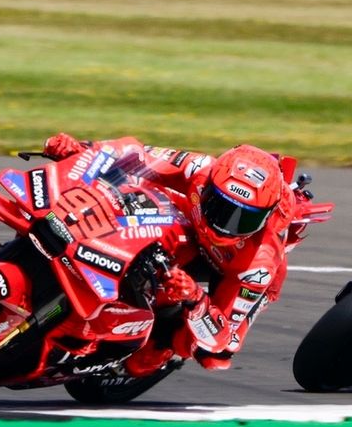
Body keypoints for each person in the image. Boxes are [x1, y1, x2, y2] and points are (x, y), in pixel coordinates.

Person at [42, 132, 323, 377]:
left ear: (264, 218)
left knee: (214, 355)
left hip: (231, 269)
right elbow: (136, 156)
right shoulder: (201, 169)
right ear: (209, 187)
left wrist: (195, 299)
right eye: (220, 207)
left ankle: (162, 349)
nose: (226, 225)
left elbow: (220, 339)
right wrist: (81, 149)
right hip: (189, 227)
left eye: (244, 220)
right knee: (132, 185)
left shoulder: (260, 261)